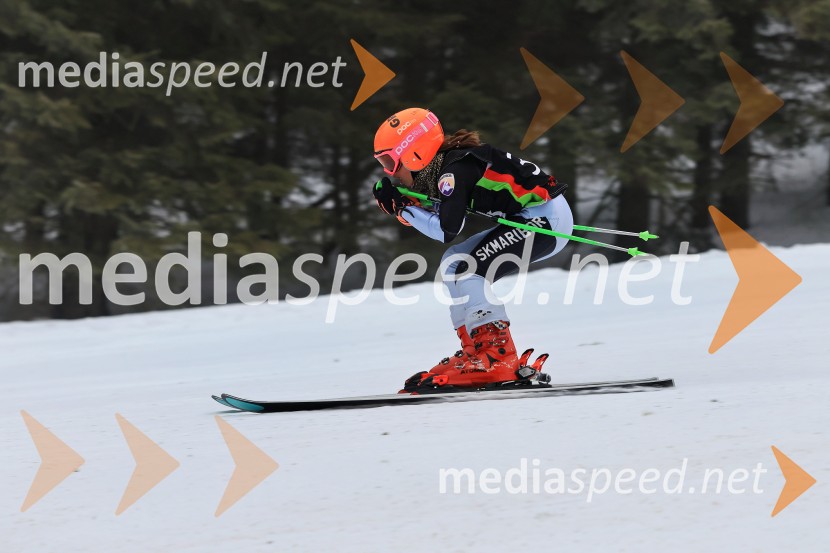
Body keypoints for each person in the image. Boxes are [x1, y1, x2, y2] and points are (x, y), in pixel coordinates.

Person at [371, 107, 573, 392]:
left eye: (389, 161)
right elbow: (444, 216)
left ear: (414, 153)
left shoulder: (453, 171)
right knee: (454, 263)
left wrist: (403, 208)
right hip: (534, 216)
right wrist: (407, 207)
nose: (387, 171)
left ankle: (497, 356)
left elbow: (445, 229)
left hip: (544, 222)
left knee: (468, 269)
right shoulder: (446, 167)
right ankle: (476, 351)